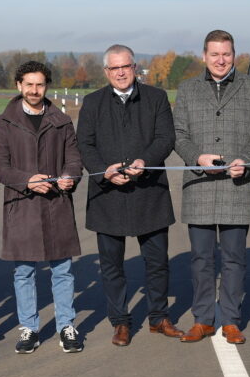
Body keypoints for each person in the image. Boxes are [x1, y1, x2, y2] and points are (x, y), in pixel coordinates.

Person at [76, 44, 181, 347]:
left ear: (135, 68)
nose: (120, 72)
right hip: (107, 194)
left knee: (157, 262)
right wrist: (102, 171)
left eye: (126, 66)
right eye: (114, 68)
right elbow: (85, 143)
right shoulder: (93, 102)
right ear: (106, 71)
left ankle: (159, 318)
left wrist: (143, 163)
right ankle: (120, 322)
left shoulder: (156, 98)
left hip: (149, 192)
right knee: (112, 266)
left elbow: (166, 138)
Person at [172, 30, 250, 344]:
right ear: (204, 56)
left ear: (234, 55)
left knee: (233, 258)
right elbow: (178, 133)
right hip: (199, 183)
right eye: (214, 54)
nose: (220, 60)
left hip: (237, 183)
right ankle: (202, 319)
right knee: (201, 258)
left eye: (226, 54)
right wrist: (195, 157)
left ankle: (230, 320)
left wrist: (246, 158)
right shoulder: (187, 89)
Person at [0, 61, 85, 354]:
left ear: (46, 86)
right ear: (19, 86)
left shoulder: (62, 120)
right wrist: (27, 181)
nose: (34, 90)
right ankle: (29, 328)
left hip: (56, 205)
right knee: (24, 273)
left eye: (40, 84)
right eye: (29, 84)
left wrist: (70, 177)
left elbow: (74, 159)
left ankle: (66, 326)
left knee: (63, 270)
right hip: (22, 207)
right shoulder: (4, 122)